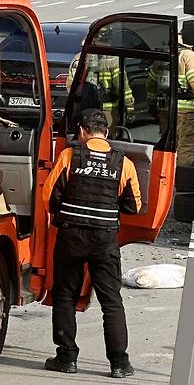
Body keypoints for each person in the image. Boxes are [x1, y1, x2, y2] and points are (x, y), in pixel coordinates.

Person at [42, 108, 142, 378]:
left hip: (71, 236)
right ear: (106, 134)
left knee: (65, 295)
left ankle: (67, 358)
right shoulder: (124, 163)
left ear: (82, 132)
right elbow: (134, 206)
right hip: (104, 240)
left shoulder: (69, 156)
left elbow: (49, 198)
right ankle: (119, 364)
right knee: (111, 301)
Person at [146, 34, 194, 166]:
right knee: (185, 147)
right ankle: (181, 180)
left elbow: (150, 83)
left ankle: (164, 178)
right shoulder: (188, 56)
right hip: (184, 112)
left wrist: (152, 104)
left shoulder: (164, 56)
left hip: (165, 109)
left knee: (167, 146)